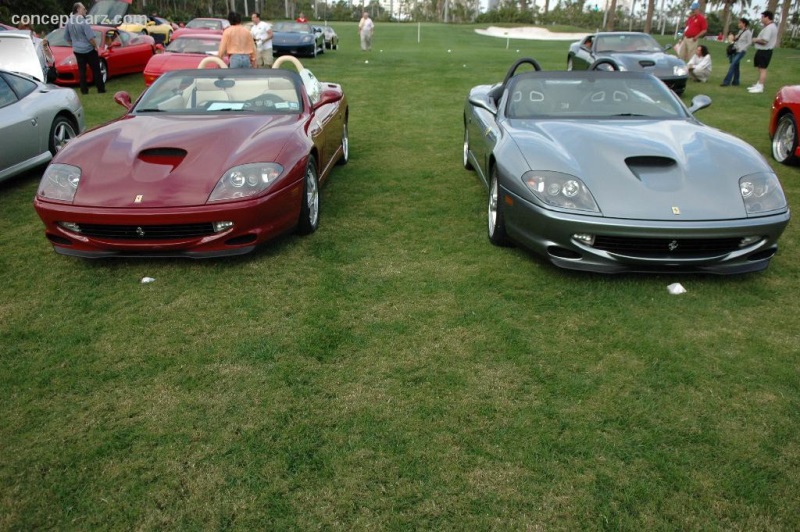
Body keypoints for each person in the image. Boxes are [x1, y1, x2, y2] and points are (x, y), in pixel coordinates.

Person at [64, 2, 105, 94]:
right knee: (96, 70)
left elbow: (66, 37)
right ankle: (100, 89)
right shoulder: (83, 21)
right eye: (83, 9)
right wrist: (96, 46)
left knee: (82, 71)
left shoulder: (69, 21)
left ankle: (84, 90)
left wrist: (74, 44)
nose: (85, 10)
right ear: (78, 9)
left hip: (77, 50)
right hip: (88, 49)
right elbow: (90, 37)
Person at [748, 10, 778, 94]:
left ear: (767, 17)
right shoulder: (769, 26)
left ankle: (760, 86)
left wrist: (755, 40)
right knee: (759, 68)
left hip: (765, 51)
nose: (761, 19)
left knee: (762, 69)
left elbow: (765, 41)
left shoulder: (770, 27)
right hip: (762, 50)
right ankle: (758, 84)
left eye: (762, 17)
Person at [721, 18, 752, 87]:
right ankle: (736, 81)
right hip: (736, 50)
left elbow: (749, 42)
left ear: (744, 23)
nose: (739, 24)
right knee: (736, 66)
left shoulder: (748, 32)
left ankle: (726, 81)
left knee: (733, 64)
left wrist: (743, 48)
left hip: (741, 51)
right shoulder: (740, 31)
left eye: (740, 23)